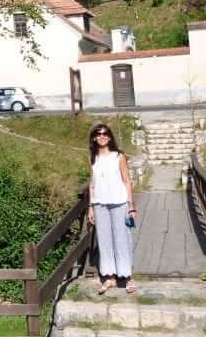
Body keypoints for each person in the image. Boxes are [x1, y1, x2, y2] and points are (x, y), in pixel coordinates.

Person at [87, 122, 137, 294]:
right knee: (104, 240)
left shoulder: (118, 156)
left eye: (105, 133)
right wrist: (90, 207)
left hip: (119, 202)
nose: (102, 136)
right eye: (98, 134)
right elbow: (92, 185)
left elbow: (127, 181)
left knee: (121, 239)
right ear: (94, 138)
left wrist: (131, 205)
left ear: (110, 137)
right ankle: (110, 277)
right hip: (100, 204)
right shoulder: (93, 158)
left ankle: (127, 277)